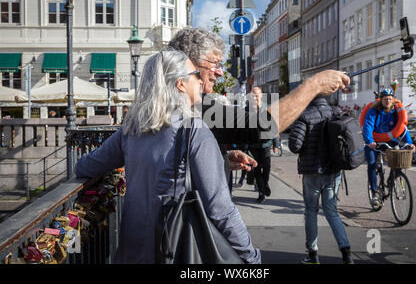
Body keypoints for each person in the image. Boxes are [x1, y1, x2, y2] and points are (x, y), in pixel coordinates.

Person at [75, 50, 260, 264]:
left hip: (131, 250)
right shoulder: (194, 131)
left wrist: (221, 159)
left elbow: (85, 167)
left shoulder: (132, 130)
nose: (201, 81)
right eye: (196, 75)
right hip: (173, 249)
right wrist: (251, 257)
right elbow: (220, 209)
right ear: (181, 84)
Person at [168, 27, 350, 176]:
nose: (220, 72)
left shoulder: (174, 101)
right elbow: (261, 127)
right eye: (215, 64)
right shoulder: (194, 105)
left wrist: (221, 158)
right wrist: (315, 85)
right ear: (190, 63)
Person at [288, 95, 354, 264]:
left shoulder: (304, 116)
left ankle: (313, 254)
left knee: (311, 211)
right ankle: (346, 253)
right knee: (332, 211)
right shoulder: (336, 112)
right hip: (333, 171)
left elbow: (294, 145)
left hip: (312, 172)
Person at [363, 88, 415, 208]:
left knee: (399, 162)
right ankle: (375, 191)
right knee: (372, 163)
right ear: (381, 99)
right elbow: (368, 126)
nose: (388, 101)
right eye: (385, 99)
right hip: (374, 142)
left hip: (390, 141)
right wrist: (369, 141)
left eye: (390, 99)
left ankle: (393, 178)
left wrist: (409, 143)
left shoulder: (396, 112)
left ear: (393, 100)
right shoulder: (373, 111)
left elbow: (403, 128)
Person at [247, 86, 281, 203]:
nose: (255, 97)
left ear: (261, 95)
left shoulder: (267, 109)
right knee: (256, 170)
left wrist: (276, 144)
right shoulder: (246, 109)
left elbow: (274, 128)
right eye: (253, 95)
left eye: (257, 95)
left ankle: (265, 183)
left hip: (266, 145)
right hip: (252, 146)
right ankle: (261, 192)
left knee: (266, 169)